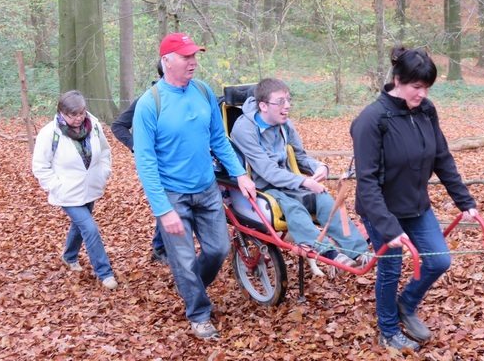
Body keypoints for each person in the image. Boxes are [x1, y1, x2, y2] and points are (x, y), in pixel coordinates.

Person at [350, 47, 479, 352]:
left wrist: (464, 200)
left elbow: (441, 157)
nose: (422, 94)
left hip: (416, 205)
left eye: (427, 88)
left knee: (439, 261)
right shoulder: (371, 120)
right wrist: (388, 227)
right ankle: (388, 329)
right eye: (416, 87)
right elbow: (366, 181)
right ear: (398, 80)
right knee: (391, 269)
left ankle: (405, 305)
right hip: (381, 210)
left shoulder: (425, 110)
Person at [132, 32, 256, 340]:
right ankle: (199, 314)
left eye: (194, 56)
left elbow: (218, 139)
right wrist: (163, 210)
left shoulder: (202, 92)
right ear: (167, 61)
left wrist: (239, 173)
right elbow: (145, 163)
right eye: (186, 57)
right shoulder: (149, 105)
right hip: (173, 195)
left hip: (207, 189)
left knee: (219, 250)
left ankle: (190, 287)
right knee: (184, 259)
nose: (193, 62)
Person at [230, 78, 371, 277]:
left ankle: (358, 251)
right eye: (280, 101)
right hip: (261, 186)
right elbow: (267, 171)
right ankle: (327, 253)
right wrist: (304, 181)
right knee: (293, 207)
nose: (287, 106)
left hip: (289, 180)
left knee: (324, 198)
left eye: (288, 99)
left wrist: (320, 166)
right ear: (263, 106)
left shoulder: (285, 124)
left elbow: (301, 156)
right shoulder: (245, 129)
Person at [32, 90, 118, 290]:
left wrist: (104, 172)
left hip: (91, 188)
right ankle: (105, 273)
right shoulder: (49, 133)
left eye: (81, 113)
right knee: (89, 228)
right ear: (62, 113)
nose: (79, 118)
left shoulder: (93, 125)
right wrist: (56, 187)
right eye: (73, 115)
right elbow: (40, 166)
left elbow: (105, 151)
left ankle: (69, 256)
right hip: (68, 193)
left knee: (79, 226)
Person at [111, 60, 168, 265]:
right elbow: (118, 126)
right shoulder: (147, 100)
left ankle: (163, 245)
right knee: (167, 203)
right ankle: (160, 248)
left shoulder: (188, 95)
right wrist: (136, 145)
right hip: (157, 164)